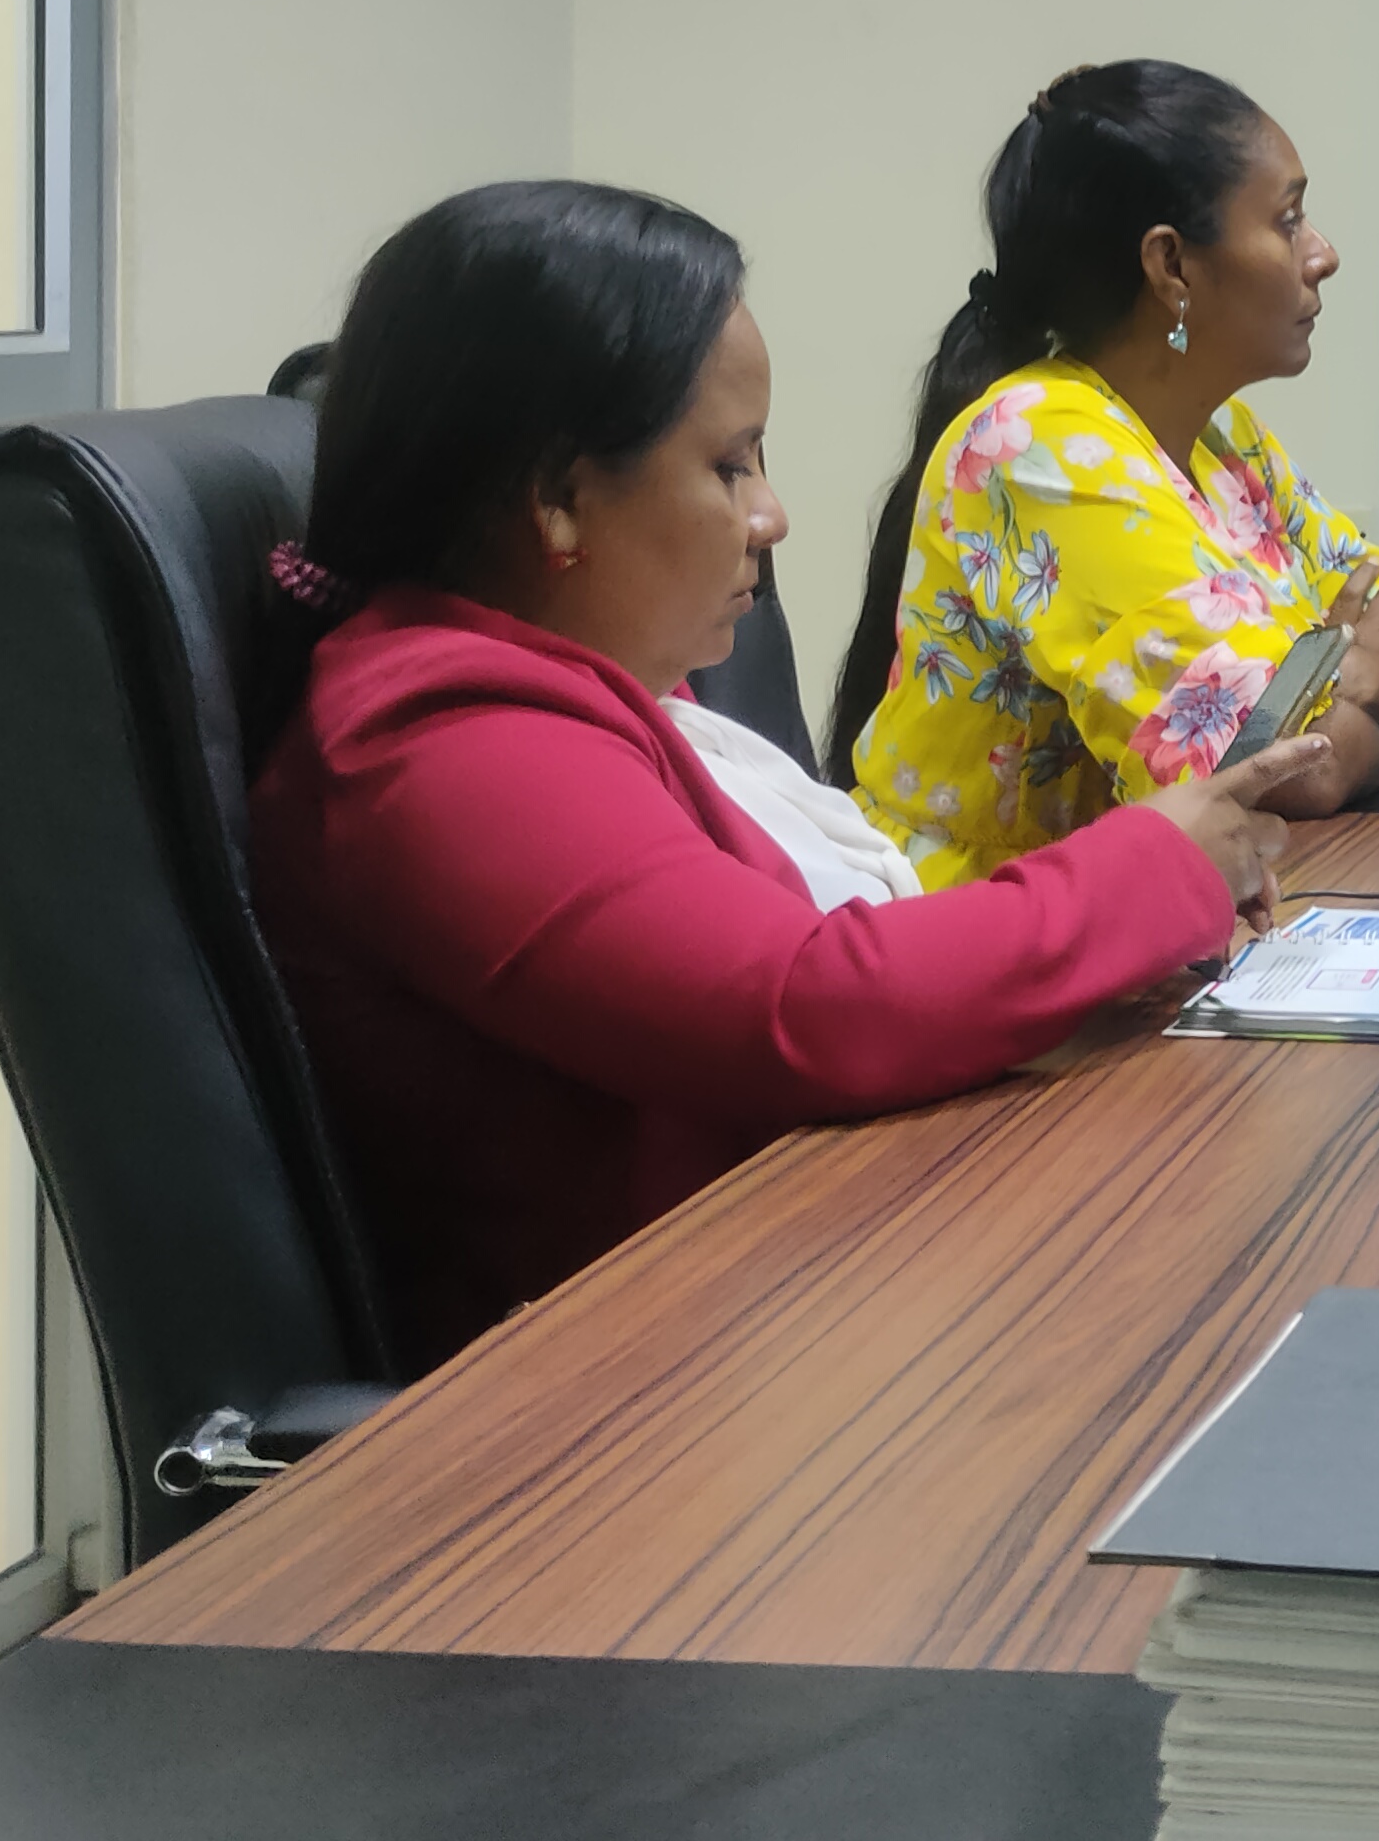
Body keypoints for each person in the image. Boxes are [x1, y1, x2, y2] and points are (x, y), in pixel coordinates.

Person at [249, 181, 1318, 1367]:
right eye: (728, 466)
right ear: (556, 499)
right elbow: (807, 1007)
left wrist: (1111, 949)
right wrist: (1155, 869)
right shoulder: (440, 740)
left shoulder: (586, 689)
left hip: (784, 1288)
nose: (771, 516)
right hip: (641, 1389)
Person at [835, 62, 1379, 884]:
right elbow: (1278, 773)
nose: (1323, 254)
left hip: (1141, 911)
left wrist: (1352, 671)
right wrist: (1364, 692)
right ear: (1173, 265)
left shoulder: (1228, 443)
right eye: (1288, 221)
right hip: (981, 927)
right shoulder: (1038, 447)